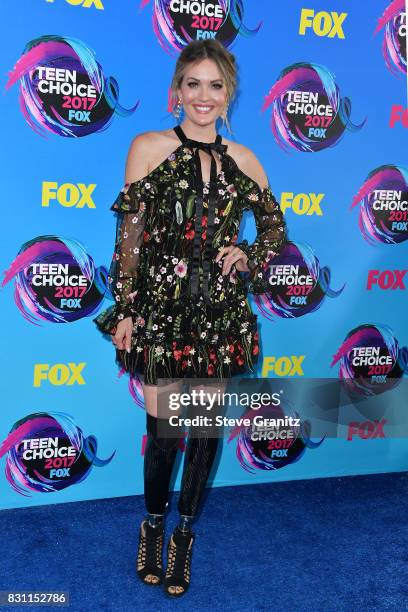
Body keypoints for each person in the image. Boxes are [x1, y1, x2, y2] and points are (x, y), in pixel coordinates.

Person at [94, 39, 288, 598]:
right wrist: (127, 308)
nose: (204, 96)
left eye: (216, 85)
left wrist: (250, 255)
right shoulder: (148, 147)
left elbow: (274, 231)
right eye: (193, 84)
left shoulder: (246, 160)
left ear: (228, 97)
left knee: (203, 433)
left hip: (219, 315)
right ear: (176, 92)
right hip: (161, 312)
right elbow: (128, 240)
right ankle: (152, 526)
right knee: (163, 432)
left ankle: (184, 536)